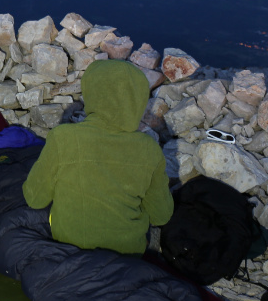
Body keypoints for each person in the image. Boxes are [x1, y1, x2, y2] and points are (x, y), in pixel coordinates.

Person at [22, 58, 172, 255]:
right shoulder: (150, 149)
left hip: (71, 251)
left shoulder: (63, 137)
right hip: (128, 257)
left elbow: (34, 198)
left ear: (91, 93)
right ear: (138, 100)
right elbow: (161, 216)